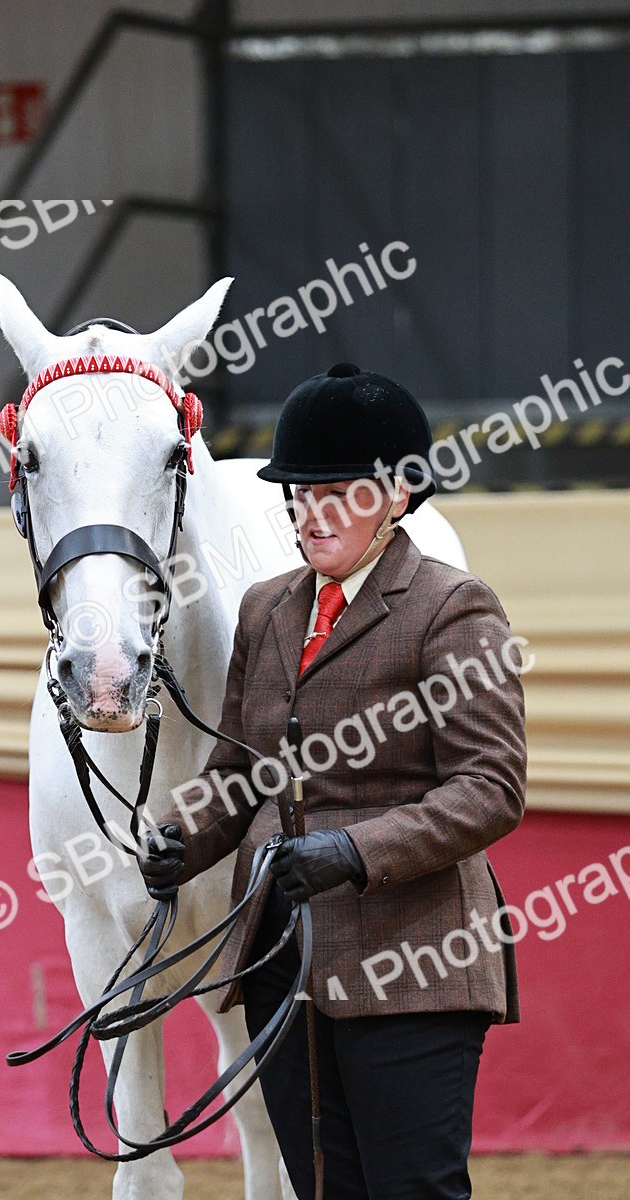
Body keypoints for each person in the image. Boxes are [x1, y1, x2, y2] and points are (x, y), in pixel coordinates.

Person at [140, 362, 527, 1200]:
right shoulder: (266, 610)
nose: (311, 514)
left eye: (338, 494)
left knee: (412, 1190)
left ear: (397, 494)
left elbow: (491, 787)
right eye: (301, 494)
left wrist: (352, 851)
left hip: (413, 961)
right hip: (283, 963)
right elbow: (239, 770)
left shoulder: (453, 607)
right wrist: (183, 838)